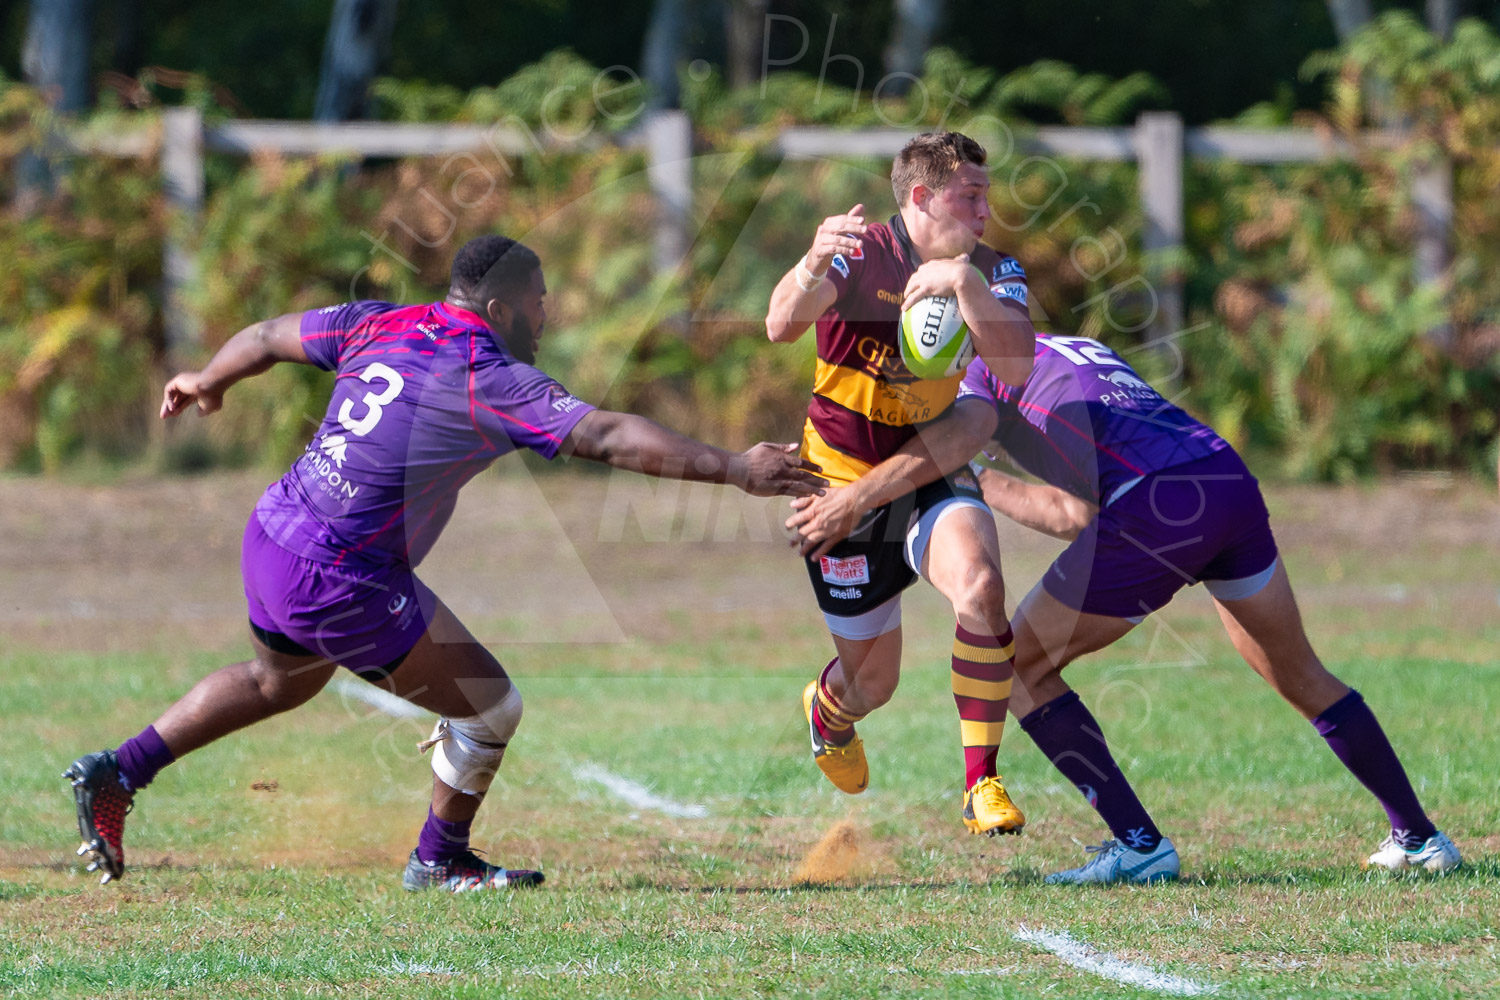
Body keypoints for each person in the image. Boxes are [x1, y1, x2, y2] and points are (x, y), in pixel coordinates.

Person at [65, 235, 826, 891]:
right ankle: (442, 860)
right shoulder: (486, 374)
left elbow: (266, 335)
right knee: (490, 706)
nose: (545, 315)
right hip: (340, 575)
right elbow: (606, 436)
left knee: (277, 680)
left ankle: (118, 769)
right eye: (538, 302)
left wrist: (208, 379)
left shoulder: (381, 322)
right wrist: (732, 467)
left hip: (274, 532)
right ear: (499, 308)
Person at [788, 332, 1461, 882]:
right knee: (1302, 675)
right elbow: (1073, 511)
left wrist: (907, 480)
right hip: (1221, 479)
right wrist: (980, 481)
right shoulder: (1066, 347)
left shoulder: (972, 382)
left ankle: (1138, 843)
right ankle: (1420, 838)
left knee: (1015, 665)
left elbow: (961, 445)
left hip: (1159, 501)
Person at [764, 132, 1037, 836]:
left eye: (986, 195)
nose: (984, 211)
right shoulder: (861, 254)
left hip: (929, 467)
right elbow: (779, 324)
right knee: (872, 685)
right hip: (839, 484)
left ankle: (981, 783)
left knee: (979, 585)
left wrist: (965, 282)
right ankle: (829, 712)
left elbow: (1013, 368)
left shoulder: (996, 268)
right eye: (968, 196)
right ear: (920, 197)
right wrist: (808, 263)